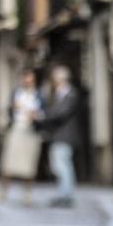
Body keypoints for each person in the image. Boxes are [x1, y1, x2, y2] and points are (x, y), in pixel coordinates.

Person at [0, 69, 45, 205]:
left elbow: (44, 114)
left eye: (30, 80)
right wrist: (12, 108)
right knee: (8, 163)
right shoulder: (16, 93)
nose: (27, 82)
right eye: (25, 79)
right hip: (16, 129)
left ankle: (27, 194)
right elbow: (9, 110)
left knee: (29, 165)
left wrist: (36, 116)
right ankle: (3, 192)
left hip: (31, 131)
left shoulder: (39, 95)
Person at [38, 65, 80, 208]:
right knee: (59, 165)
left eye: (55, 79)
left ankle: (66, 196)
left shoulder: (70, 94)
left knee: (63, 166)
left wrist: (42, 116)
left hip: (65, 136)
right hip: (57, 136)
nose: (53, 82)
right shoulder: (58, 94)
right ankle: (63, 194)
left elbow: (61, 113)